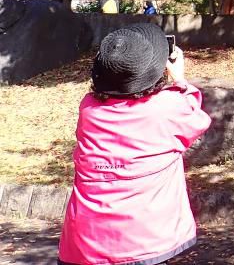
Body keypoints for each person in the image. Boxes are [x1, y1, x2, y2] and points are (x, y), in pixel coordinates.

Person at [58, 23, 212, 265]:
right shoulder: (166, 107)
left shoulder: (89, 108)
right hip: (147, 242)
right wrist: (180, 81)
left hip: (85, 244)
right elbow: (197, 120)